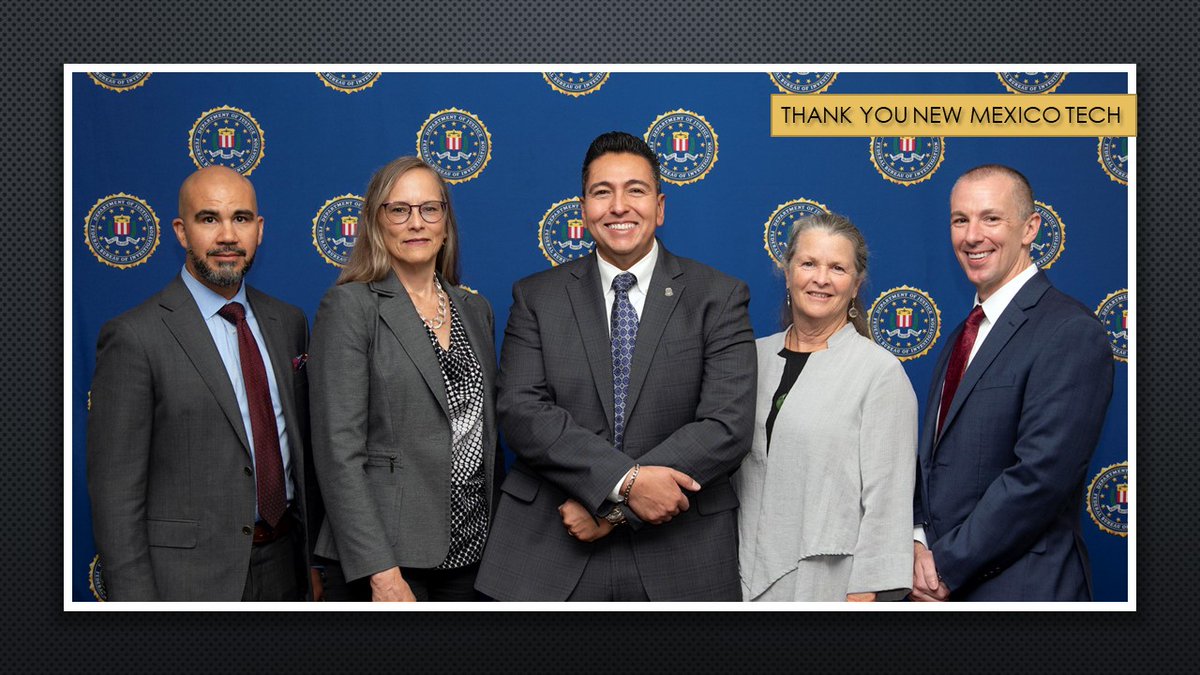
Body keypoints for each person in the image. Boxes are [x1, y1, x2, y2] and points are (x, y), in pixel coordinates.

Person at [474, 131, 756, 601]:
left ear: (660, 208)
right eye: (602, 192)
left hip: (682, 553)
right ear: (583, 208)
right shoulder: (536, 296)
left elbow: (726, 425)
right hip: (552, 544)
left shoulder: (718, 296)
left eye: (636, 190)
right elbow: (522, 410)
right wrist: (623, 483)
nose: (619, 206)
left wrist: (614, 510)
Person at [87, 166, 315, 601]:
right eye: (209, 219)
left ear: (259, 230)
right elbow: (116, 495)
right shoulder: (135, 336)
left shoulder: (288, 322)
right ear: (181, 231)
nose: (228, 235)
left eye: (242, 218)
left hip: (286, 566)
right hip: (188, 581)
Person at [910, 165, 1114, 602]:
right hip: (940, 588)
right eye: (960, 220)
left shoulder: (1069, 330)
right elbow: (932, 467)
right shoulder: (961, 337)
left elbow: (1039, 477)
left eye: (991, 218)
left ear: (1030, 228)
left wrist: (944, 566)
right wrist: (916, 546)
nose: (972, 235)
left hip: (1024, 590)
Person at [307, 156, 500, 602]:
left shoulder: (475, 310)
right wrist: (382, 572)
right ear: (377, 223)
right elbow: (339, 454)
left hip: (471, 554)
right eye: (399, 210)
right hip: (387, 561)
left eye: (430, 209)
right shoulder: (350, 308)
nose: (416, 223)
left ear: (446, 223)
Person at [734, 213, 917, 602]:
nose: (821, 278)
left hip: (827, 586)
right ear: (787, 274)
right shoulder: (750, 359)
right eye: (808, 264)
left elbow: (888, 501)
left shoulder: (879, 373)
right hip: (735, 578)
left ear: (856, 285)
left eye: (837, 268)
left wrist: (866, 594)